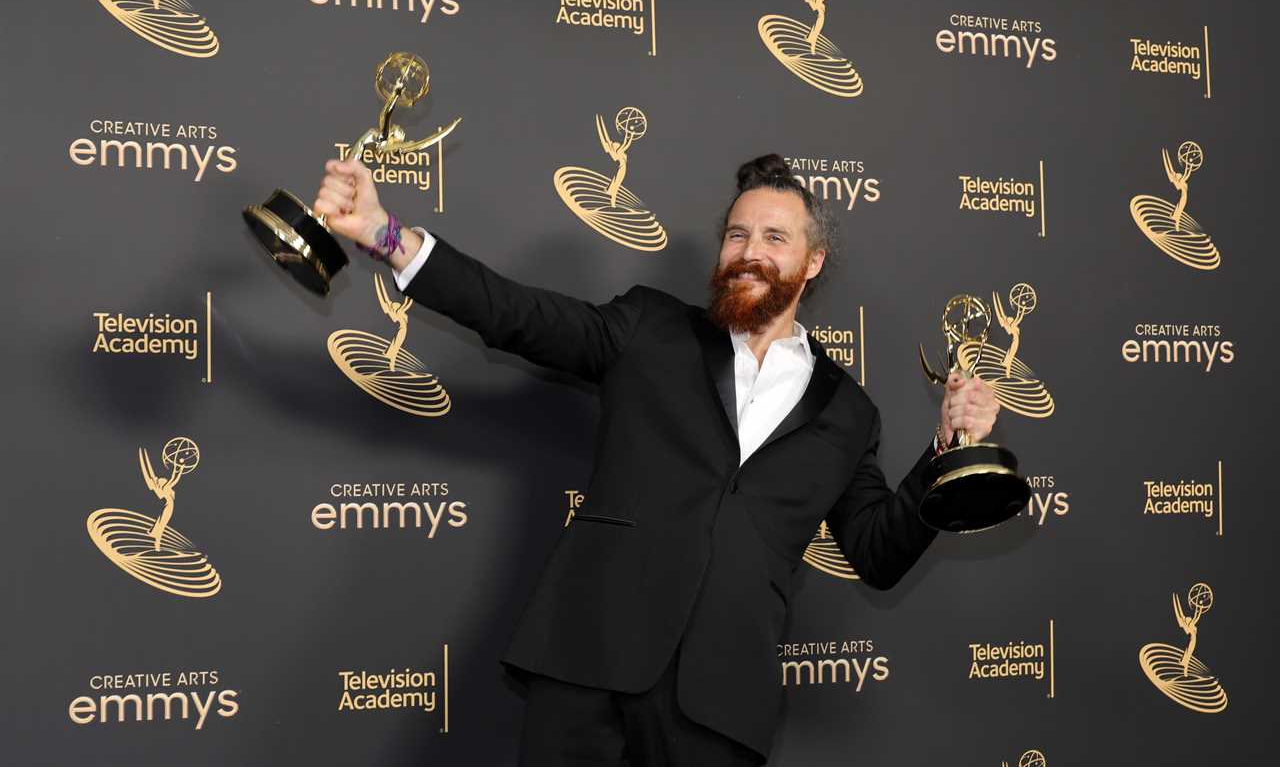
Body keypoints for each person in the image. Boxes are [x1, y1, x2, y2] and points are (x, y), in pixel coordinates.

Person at [312, 153, 1000, 766]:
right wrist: (385, 234)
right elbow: (516, 312)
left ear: (812, 261)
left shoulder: (849, 411)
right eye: (736, 234)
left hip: (722, 707)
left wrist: (946, 451)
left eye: (773, 237)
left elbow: (880, 552)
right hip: (586, 666)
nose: (748, 251)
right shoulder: (649, 328)